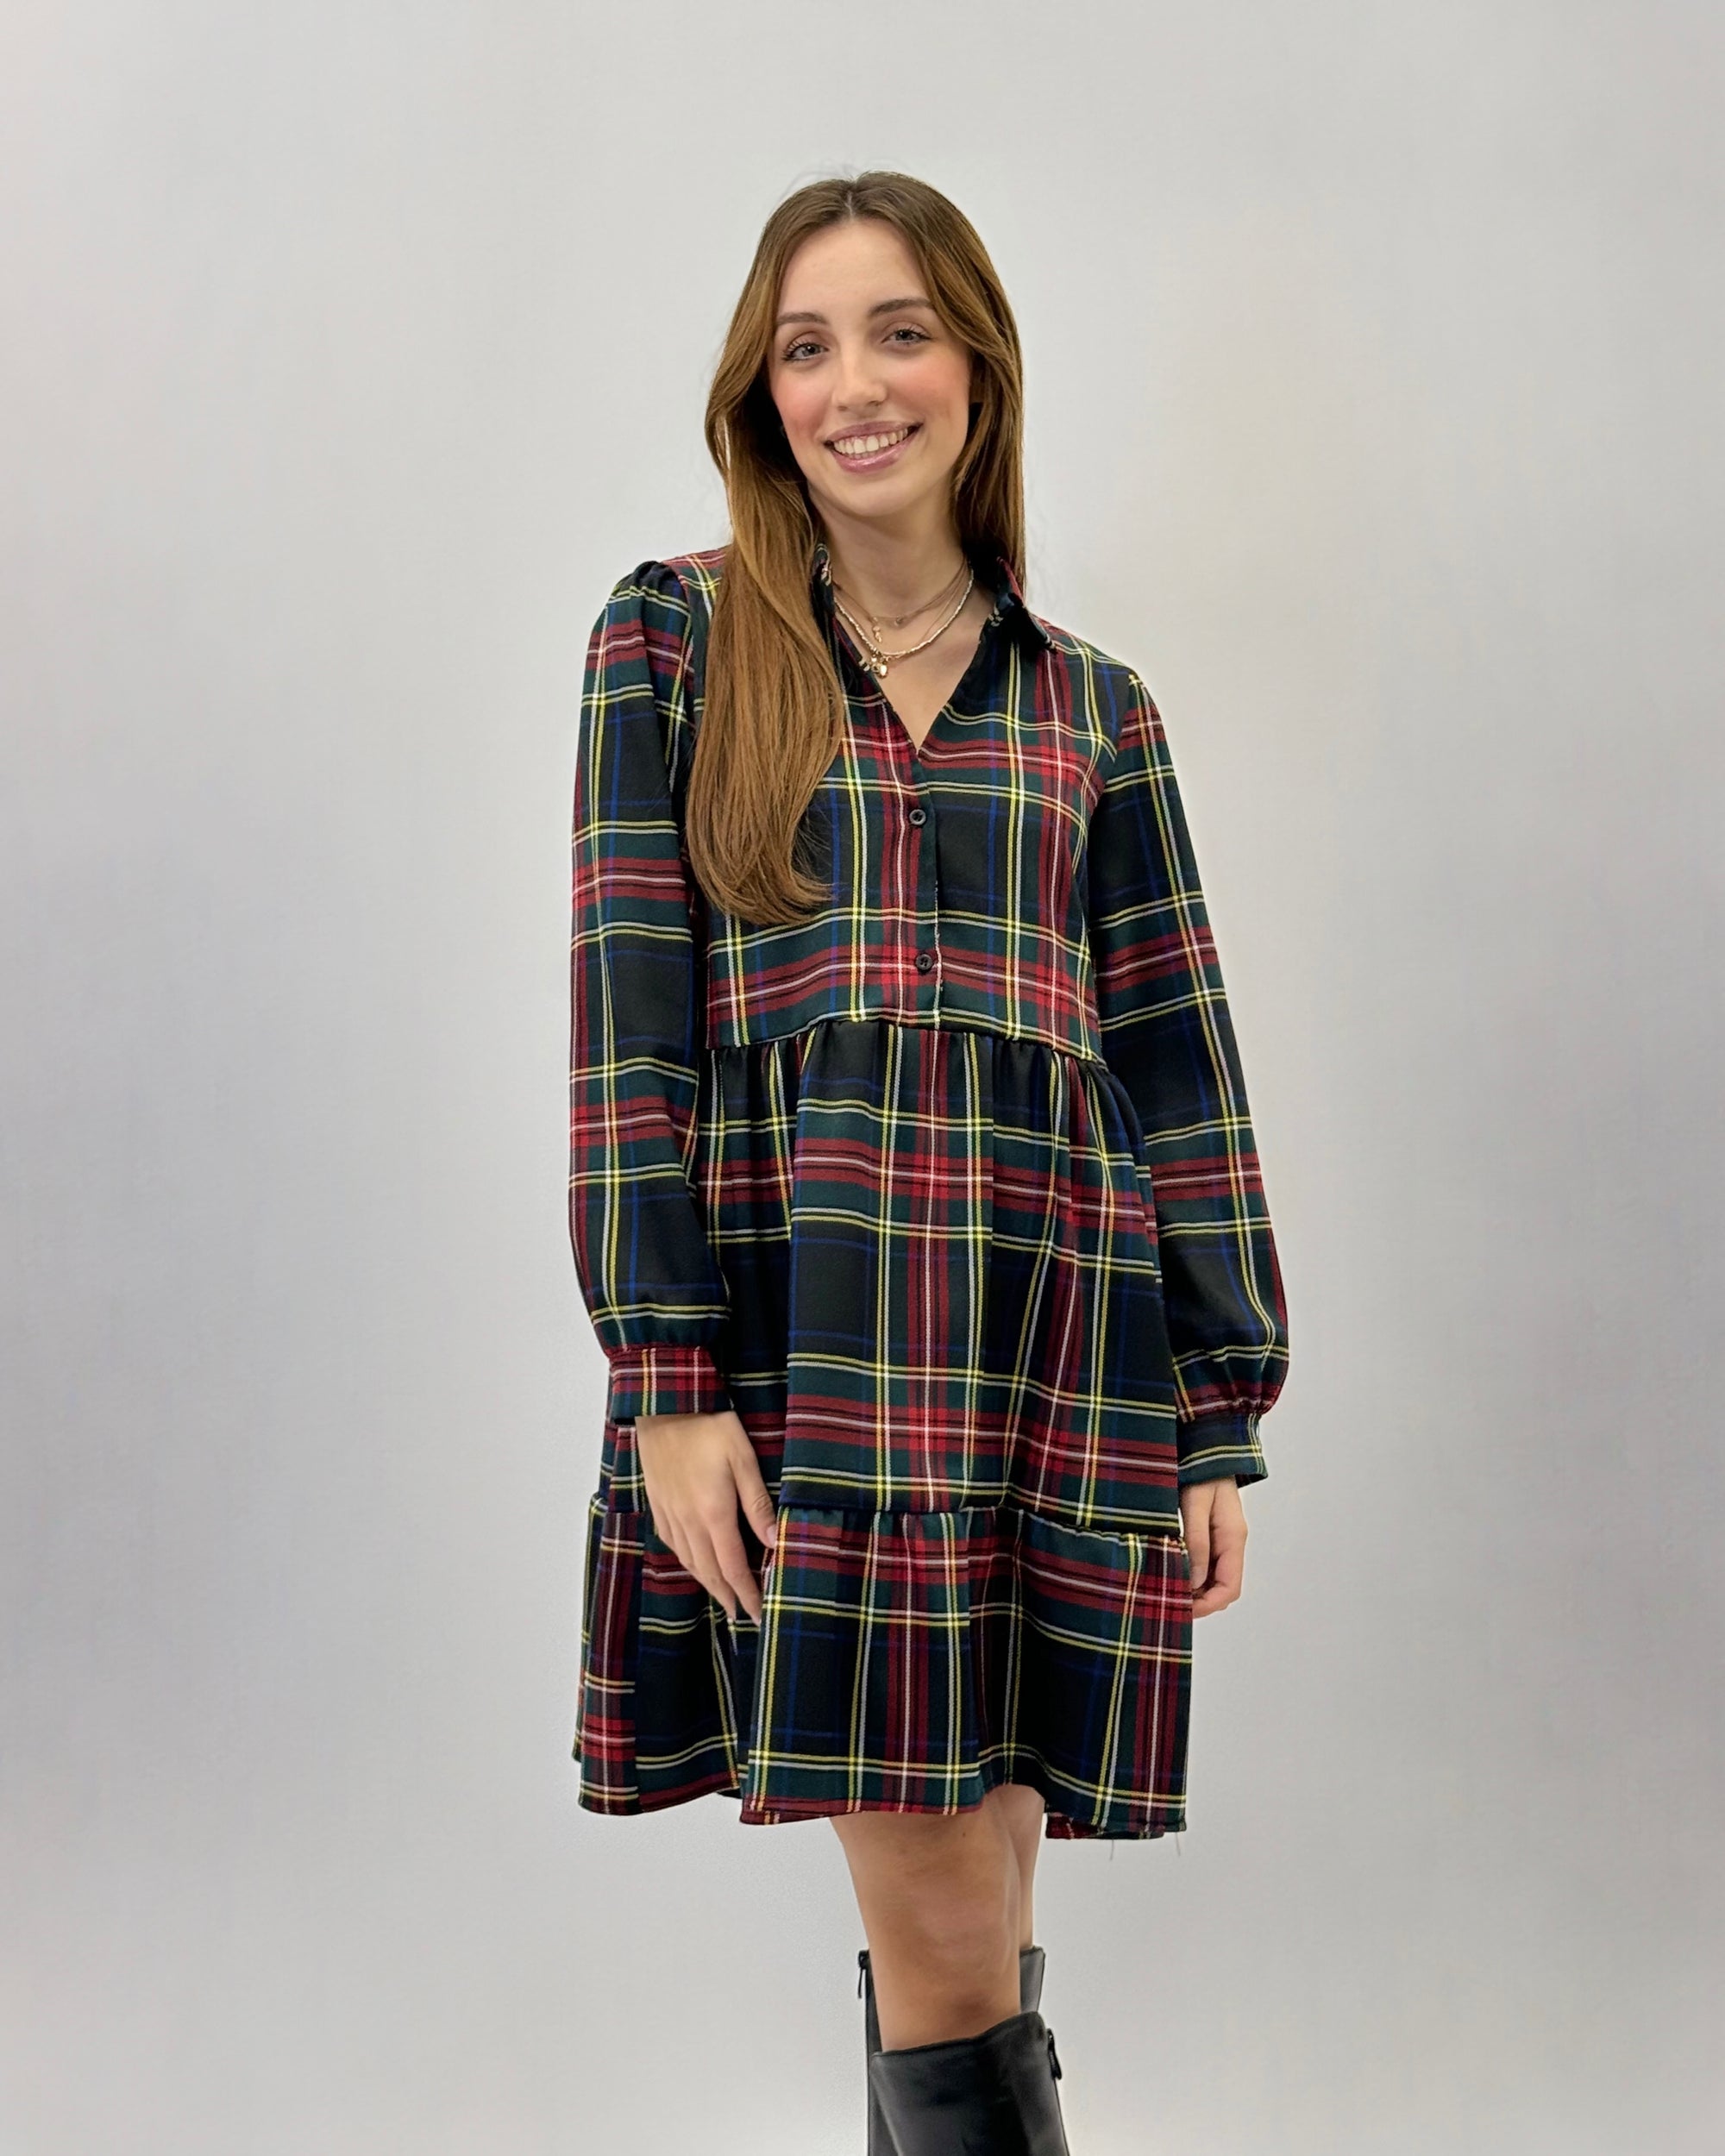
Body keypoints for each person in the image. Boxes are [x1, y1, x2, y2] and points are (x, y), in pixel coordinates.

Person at [566, 168, 1289, 2155]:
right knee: (952, 1921)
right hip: (827, 1361)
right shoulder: (672, 642)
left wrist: (1214, 1408)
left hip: (1057, 1355)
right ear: (762, 391)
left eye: (898, 332)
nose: (854, 384)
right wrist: (669, 1381)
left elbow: (1177, 1066)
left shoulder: (1093, 709)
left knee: (980, 1904)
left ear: (976, 364)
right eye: (805, 346)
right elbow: (629, 1037)